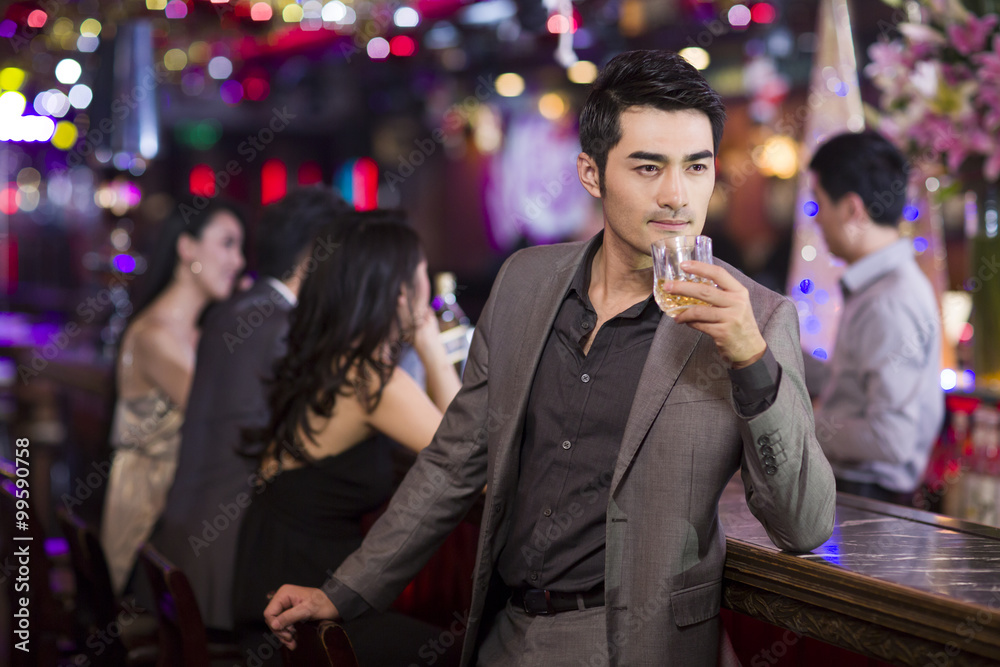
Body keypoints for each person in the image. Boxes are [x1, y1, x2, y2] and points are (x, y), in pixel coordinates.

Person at [264, 50, 836, 667]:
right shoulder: (524, 283)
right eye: (648, 168)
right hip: (504, 628)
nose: (676, 195)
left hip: (634, 644)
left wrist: (749, 358)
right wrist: (346, 591)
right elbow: (455, 459)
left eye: (695, 167)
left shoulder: (755, 317)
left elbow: (803, 527)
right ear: (591, 173)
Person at [231, 213, 463, 666]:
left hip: (270, 590)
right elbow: (471, 459)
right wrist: (431, 347)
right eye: (422, 271)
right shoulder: (370, 379)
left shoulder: (331, 359)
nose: (430, 287)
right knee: (467, 653)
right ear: (398, 291)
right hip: (305, 618)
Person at [151, 187, 349, 634]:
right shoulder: (285, 328)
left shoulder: (232, 310)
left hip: (178, 543)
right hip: (226, 559)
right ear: (319, 253)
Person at [100, 200, 245, 595]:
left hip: (183, 511)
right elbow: (224, 416)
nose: (238, 260)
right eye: (228, 244)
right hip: (150, 527)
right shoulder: (156, 337)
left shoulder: (200, 333)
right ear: (187, 249)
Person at [803, 130, 944, 504]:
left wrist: (795, 424)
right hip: (861, 490)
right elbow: (854, 384)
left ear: (851, 209)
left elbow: (891, 438)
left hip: (868, 497)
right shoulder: (879, 285)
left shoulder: (889, 300)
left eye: (818, 205)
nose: (816, 221)